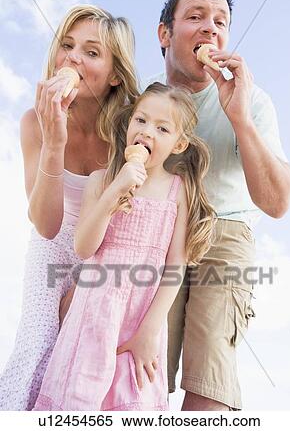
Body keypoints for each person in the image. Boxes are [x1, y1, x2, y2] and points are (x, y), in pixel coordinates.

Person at [145, 0, 290, 410]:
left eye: (220, 21)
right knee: (141, 368)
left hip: (225, 232)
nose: (210, 28)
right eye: (195, 17)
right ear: (165, 34)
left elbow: (278, 202)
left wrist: (240, 119)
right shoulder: (145, 100)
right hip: (157, 232)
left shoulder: (252, 101)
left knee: (208, 376)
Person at [32, 82, 215, 411]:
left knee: (132, 404)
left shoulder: (178, 190)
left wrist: (150, 331)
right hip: (93, 314)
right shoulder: (102, 180)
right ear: (129, 124)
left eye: (162, 128)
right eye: (141, 120)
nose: (148, 132)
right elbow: (85, 247)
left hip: (142, 318)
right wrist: (115, 191)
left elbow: (175, 266)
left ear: (178, 144)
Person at [0, 4, 139, 410]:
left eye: (91, 52)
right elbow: (45, 224)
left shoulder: (128, 130)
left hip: (103, 249)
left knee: (83, 356)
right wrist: (54, 142)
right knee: (39, 340)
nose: (73, 58)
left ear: (115, 74)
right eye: (67, 45)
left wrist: (83, 286)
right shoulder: (33, 122)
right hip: (52, 246)